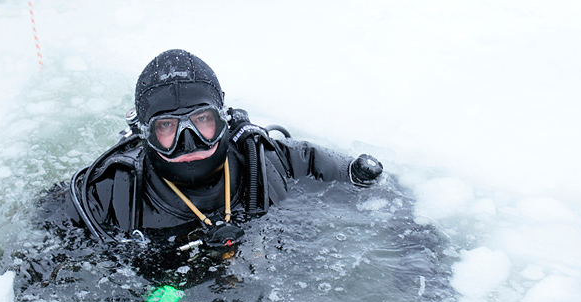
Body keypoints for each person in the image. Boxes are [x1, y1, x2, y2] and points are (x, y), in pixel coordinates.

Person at [68, 49, 384, 251]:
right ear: (144, 134)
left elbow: (367, 182)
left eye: (202, 120)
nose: (187, 141)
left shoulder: (266, 159)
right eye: (166, 127)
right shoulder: (113, 190)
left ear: (223, 119)